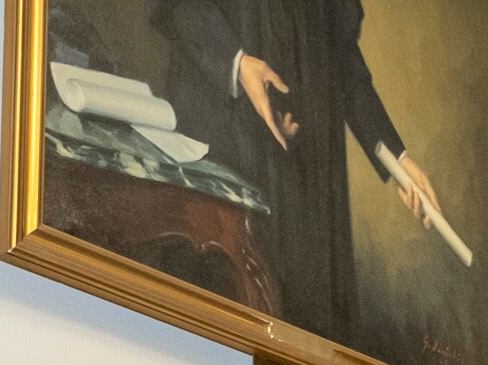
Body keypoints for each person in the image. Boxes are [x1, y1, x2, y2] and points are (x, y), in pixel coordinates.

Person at [155, 0, 445, 343]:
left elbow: (340, 56)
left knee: (302, 324)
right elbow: (177, 8)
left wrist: (398, 159)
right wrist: (238, 64)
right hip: (226, 138)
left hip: (306, 162)